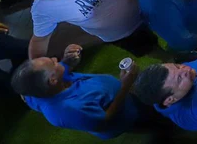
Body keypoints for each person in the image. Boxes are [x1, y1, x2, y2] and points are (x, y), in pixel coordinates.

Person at [12, 53, 140, 140]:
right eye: (53, 63)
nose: (56, 59)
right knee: (147, 120)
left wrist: (68, 61)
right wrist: (125, 86)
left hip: (125, 96)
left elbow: (24, 95)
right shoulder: (69, 111)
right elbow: (105, 120)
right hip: (126, 116)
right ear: (52, 80)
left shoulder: (36, 91)